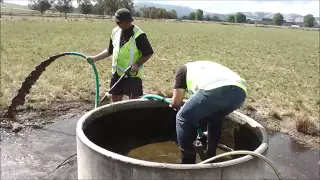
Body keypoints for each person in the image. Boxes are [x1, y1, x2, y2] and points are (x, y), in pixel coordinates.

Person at [169, 60, 247, 164]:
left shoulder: (183, 70)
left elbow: (176, 103)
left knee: (182, 117)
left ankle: (187, 161)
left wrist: (174, 104)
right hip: (240, 93)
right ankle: (211, 156)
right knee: (215, 117)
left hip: (214, 88)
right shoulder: (205, 66)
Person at [88, 8, 154, 102]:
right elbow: (110, 50)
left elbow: (148, 53)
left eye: (119, 22)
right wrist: (95, 58)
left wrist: (137, 64)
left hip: (133, 76)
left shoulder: (139, 35)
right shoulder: (115, 31)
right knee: (115, 103)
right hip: (117, 74)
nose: (117, 24)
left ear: (127, 21)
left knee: (133, 104)